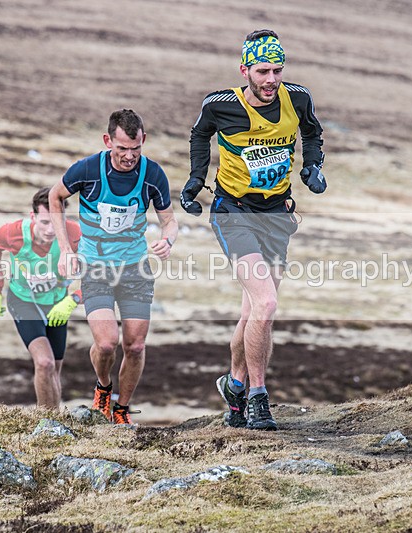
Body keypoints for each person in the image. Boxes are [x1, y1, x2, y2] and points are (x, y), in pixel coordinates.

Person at [180, 29, 327, 431]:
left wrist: (312, 167)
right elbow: (199, 134)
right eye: (263, 71)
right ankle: (258, 398)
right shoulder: (220, 104)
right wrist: (195, 181)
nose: (271, 79)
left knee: (253, 313)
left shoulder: (298, 98)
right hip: (234, 212)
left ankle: (234, 386)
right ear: (244, 70)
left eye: (277, 70)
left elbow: (312, 132)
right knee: (266, 304)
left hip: (276, 214)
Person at [48, 109, 178, 426]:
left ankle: (122, 409)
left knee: (135, 346)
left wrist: (168, 240)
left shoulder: (153, 174)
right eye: (122, 149)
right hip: (95, 268)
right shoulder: (88, 169)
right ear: (108, 141)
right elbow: (55, 197)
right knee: (106, 344)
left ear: (143, 141)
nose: (129, 156)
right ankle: (103, 386)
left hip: (135, 269)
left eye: (136, 149)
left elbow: (169, 220)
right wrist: (65, 249)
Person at [0, 187, 83, 411]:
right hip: (23, 301)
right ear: (33, 216)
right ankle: (44, 420)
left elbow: (98, 274)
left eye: (56, 222)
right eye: (45, 222)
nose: (51, 230)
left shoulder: (74, 234)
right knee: (44, 362)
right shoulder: (14, 233)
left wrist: (73, 299)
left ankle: (55, 421)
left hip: (58, 302)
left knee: (55, 368)